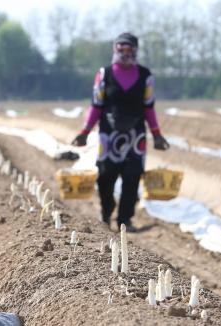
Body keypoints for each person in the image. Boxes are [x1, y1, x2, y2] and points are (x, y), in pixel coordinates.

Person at [72, 32, 170, 232]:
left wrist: (157, 134)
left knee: (132, 177)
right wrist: (84, 132)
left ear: (135, 50)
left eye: (130, 49)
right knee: (105, 177)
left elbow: (149, 107)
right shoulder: (104, 74)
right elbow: (96, 106)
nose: (125, 53)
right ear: (115, 49)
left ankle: (125, 219)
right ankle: (106, 212)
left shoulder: (145, 76)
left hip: (135, 137)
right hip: (109, 137)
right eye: (121, 49)